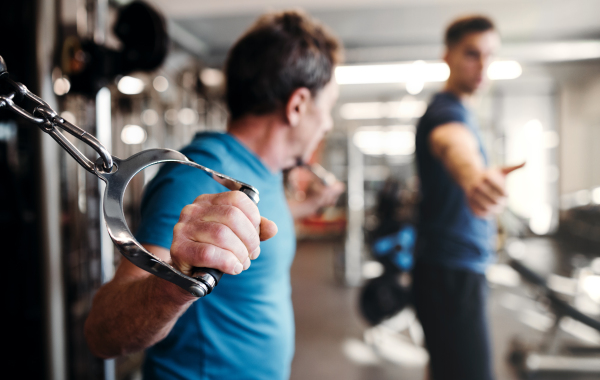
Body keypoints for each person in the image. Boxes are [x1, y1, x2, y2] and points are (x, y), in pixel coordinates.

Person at [84, 10, 344, 380]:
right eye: (328, 107)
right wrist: (176, 285)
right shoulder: (198, 179)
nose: (328, 123)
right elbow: (102, 333)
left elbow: (261, 230)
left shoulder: (262, 172)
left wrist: (310, 206)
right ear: (298, 105)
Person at [413, 15, 523, 380]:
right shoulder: (446, 111)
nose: (482, 66)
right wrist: (474, 177)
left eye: (489, 55)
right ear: (449, 55)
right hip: (451, 274)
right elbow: (453, 144)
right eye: (472, 54)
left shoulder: (464, 112)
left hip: (451, 269)